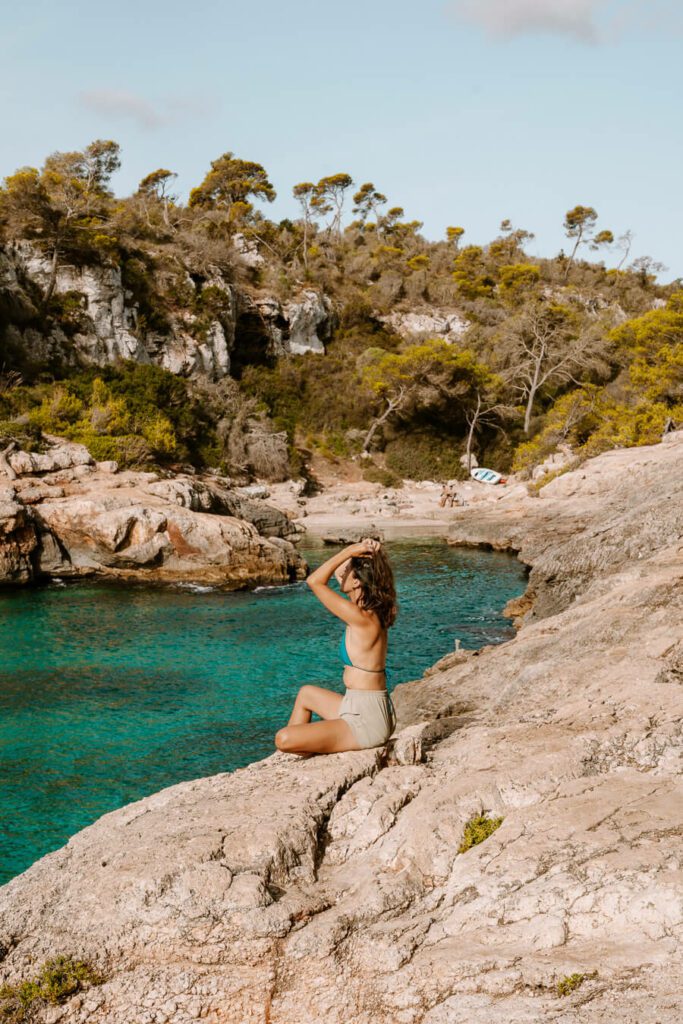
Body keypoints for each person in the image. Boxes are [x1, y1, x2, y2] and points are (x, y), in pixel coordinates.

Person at [274, 538, 398, 756]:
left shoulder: (363, 617)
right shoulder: (368, 611)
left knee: (283, 738)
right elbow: (338, 571)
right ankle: (302, 746)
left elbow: (314, 581)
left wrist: (351, 550)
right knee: (306, 694)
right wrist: (363, 550)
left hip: (366, 720)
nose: (341, 574)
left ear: (358, 582)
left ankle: (298, 745)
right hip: (356, 705)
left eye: (349, 570)